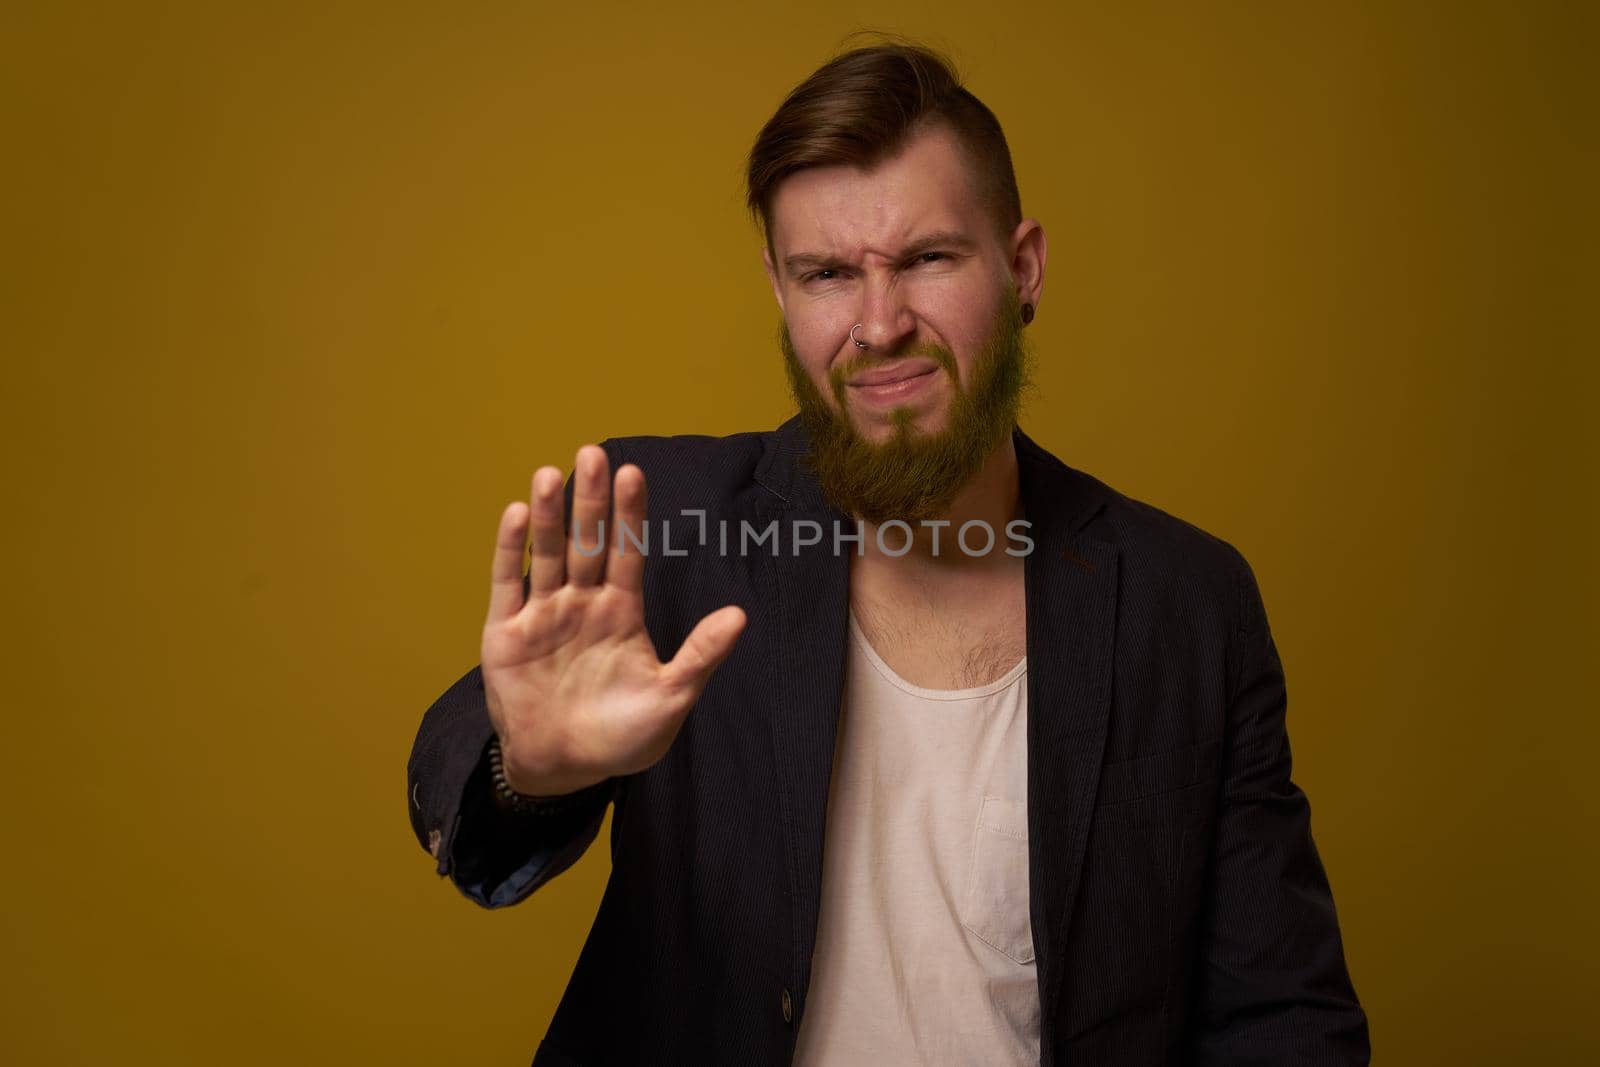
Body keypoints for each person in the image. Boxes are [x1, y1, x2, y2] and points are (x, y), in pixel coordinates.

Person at [406, 40, 1370, 1067]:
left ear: (1022, 266)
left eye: (926, 259)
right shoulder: (666, 525)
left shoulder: (1187, 600)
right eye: (826, 274)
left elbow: (1279, 1015)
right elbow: (476, 805)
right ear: (781, 293)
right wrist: (529, 774)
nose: (879, 324)